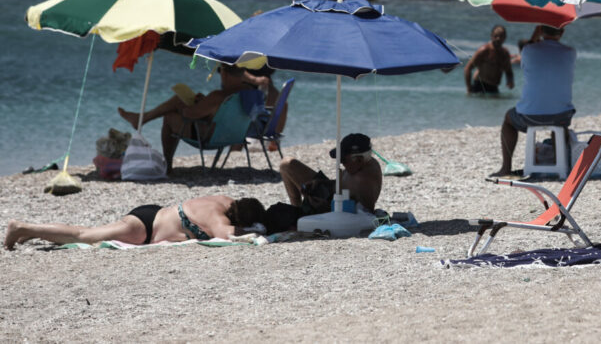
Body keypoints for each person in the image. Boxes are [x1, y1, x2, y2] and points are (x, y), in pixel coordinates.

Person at [116, 64, 253, 173]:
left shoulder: (218, 96)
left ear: (224, 73)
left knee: (170, 114)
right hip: (233, 136)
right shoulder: (251, 93)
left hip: (208, 137)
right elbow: (222, 113)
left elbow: (190, 114)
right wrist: (204, 102)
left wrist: (182, 106)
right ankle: (142, 118)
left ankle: (168, 165)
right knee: (179, 103)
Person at [4, 195, 265, 250]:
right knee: (83, 235)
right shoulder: (219, 218)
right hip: (144, 228)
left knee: (87, 233)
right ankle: (23, 228)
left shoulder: (223, 200)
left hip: (152, 213)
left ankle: (35, 233)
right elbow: (231, 237)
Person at [492, 25, 576, 177]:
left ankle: (505, 168)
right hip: (561, 116)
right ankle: (560, 166)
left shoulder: (528, 50)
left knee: (508, 119)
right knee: (560, 125)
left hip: (529, 117)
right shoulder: (570, 52)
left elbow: (527, 56)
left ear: (540, 30)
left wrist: (534, 37)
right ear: (562, 32)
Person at [279, 133, 382, 213]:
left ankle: (297, 213)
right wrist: (320, 183)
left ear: (359, 159)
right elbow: (344, 185)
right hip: (330, 195)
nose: (341, 163)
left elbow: (363, 215)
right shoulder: (359, 165)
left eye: (343, 160)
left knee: (287, 165)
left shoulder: (364, 179)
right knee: (287, 164)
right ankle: (296, 208)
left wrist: (325, 207)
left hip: (332, 208)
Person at [243, 65, 288, 151]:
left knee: (282, 105)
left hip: (261, 78)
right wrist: (255, 80)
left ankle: (273, 141)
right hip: (246, 82)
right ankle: (236, 148)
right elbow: (234, 69)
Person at [464, 25, 514, 95]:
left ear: (505, 38)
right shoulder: (484, 50)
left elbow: (509, 71)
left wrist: (510, 81)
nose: (498, 38)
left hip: (494, 87)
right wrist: (469, 88)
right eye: (496, 36)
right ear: (491, 36)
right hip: (479, 86)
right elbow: (468, 68)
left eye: (501, 36)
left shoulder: (505, 53)